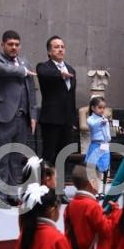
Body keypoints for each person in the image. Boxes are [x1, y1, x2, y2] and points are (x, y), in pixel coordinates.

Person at [0, 30, 38, 208]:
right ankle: (1, 196)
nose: (14, 47)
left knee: (16, 159)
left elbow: (31, 90)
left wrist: (33, 115)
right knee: (1, 158)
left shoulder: (25, 63)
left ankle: (13, 194)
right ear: (3, 45)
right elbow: (6, 70)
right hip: (1, 117)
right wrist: (22, 70)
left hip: (22, 118)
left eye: (17, 44)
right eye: (10, 44)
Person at [36, 35, 77, 203]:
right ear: (48, 51)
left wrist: (73, 120)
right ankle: (45, 189)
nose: (60, 49)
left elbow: (71, 96)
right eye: (56, 47)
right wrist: (61, 74)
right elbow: (47, 75)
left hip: (67, 120)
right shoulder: (44, 67)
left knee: (63, 156)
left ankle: (60, 190)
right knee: (49, 156)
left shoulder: (71, 69)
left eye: (62, 46)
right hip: (51, 119)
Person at [85, 96, 111, 194]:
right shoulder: (91, 119)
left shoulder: (104, 119)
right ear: (93, 108)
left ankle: (101, 191)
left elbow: (108, 134)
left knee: (103, 168)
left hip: (104, 146)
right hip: (96, 145)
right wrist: (101, 122)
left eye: (103, 108)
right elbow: (92, 124)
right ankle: (93, 190)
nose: (102, 110)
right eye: (100, 107)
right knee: (93, 169)